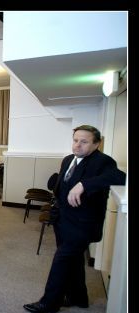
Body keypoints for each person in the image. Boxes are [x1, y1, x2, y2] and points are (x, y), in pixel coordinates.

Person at [24, 125, 126, 313]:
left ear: (96, 144)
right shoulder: (68, 159)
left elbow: (119, 176)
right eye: (75, 140)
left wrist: (84, 185)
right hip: (62, 219)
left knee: (62, 260)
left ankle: (49, 303)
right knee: (74, 260)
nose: (78, 145)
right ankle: (78, 297)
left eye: (84, 141)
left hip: (83, 224)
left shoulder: (103, 161)